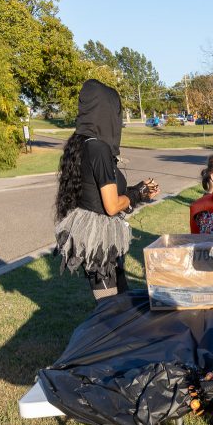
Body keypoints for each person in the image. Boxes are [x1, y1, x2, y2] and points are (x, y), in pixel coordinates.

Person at [54, 79, 159, 300]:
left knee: (119, 301)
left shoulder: (79, 144)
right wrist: (137, 193)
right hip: (99, 239)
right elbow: (111, 206)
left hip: (91, 234)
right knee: (110, 308)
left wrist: (137, 192)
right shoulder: (99, 149)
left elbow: (95, 194)